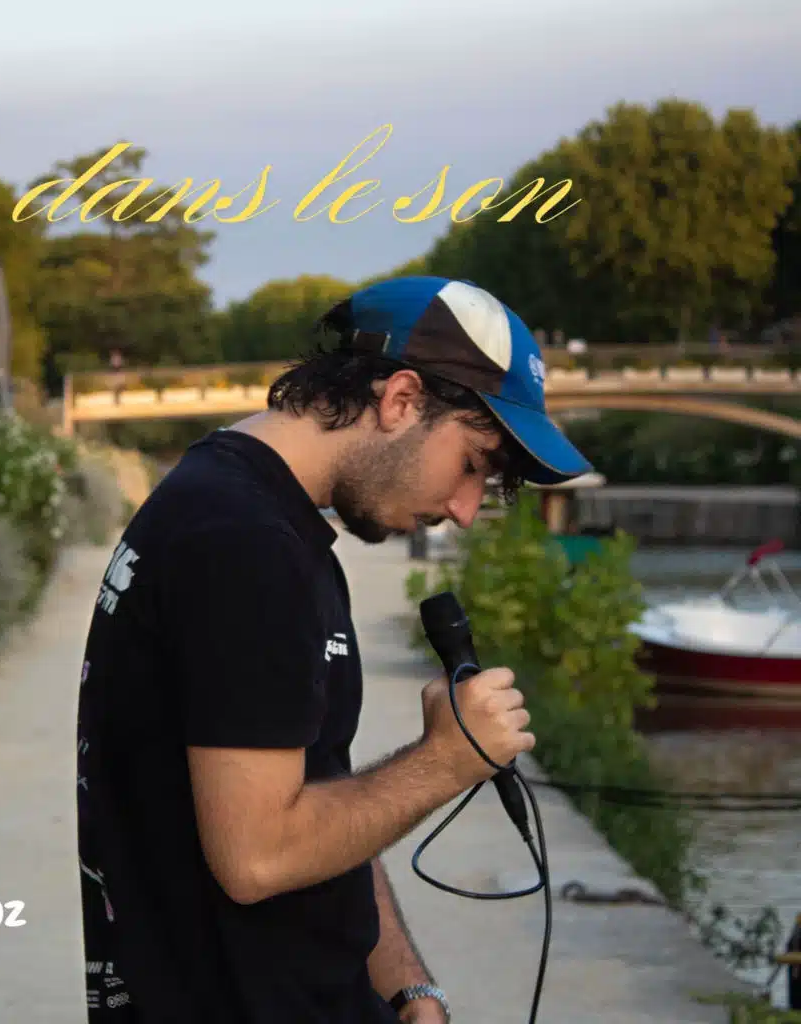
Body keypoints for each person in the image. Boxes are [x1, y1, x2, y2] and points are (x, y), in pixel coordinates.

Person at [75, 276, 594, 1023]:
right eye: (474, 465)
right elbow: (259, 856)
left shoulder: (249, 513)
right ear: (401, 400)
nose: (466, 510)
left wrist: (406, 985)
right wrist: (448, 761)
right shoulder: (244, 545)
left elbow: (318, 793)